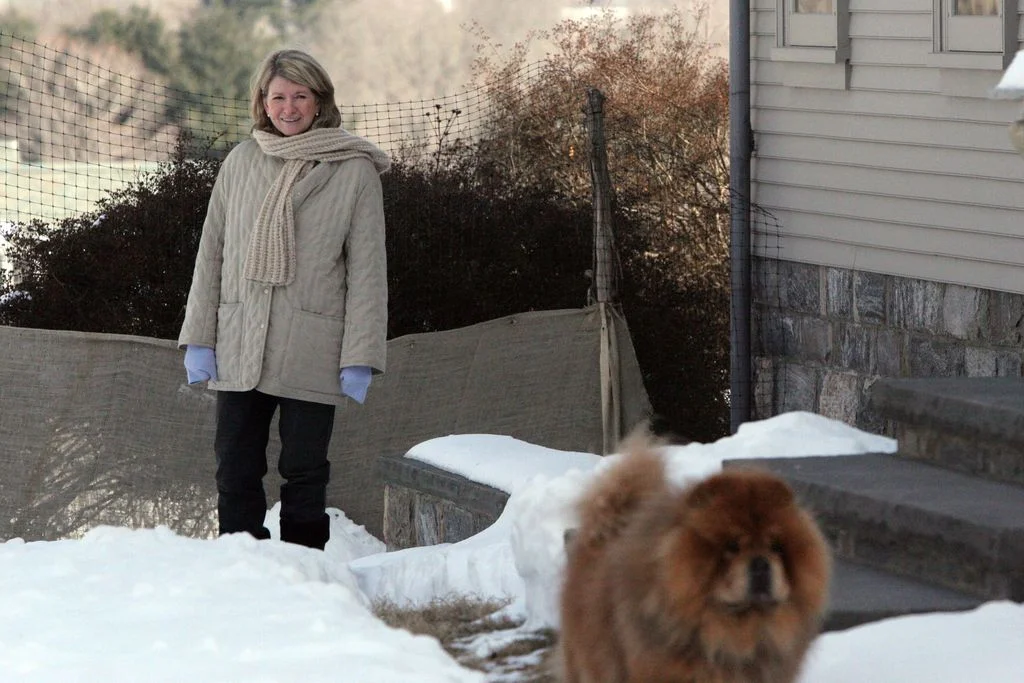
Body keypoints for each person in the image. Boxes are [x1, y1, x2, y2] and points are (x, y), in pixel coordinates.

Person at [178, 49, 390, 550]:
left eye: (300, 96)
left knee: (304, 472)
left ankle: (305, 572)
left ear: (320, 102)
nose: (288, 107)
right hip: (239, 340)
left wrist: (360, 356)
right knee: (235, 468)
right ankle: (242, 567)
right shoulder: (241, 161)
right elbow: (212, 255)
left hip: (312, 344)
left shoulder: (353, 171)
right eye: (278, 97)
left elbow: (367, 271)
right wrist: (199, 339)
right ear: (262, 102)